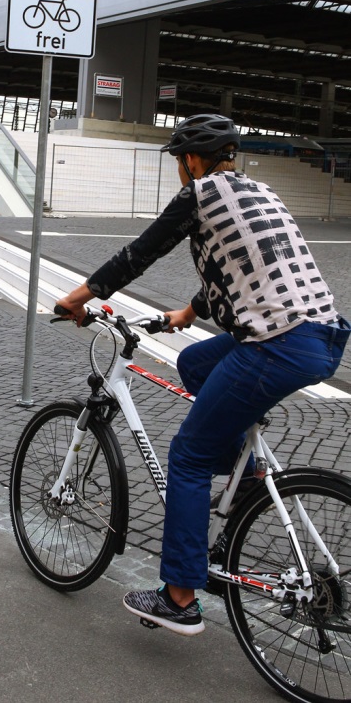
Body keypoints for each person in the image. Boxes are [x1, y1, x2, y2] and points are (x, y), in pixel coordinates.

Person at [56, 113, 350, 637]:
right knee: (194, 362)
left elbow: (137, 255)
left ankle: (179, 596)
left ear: (192, 160)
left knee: (188, 457)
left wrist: (79, 298)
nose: (179, 169)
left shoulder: (199, 195)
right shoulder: (259, 191)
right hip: (321, 335)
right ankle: (242, 475)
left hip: (275, 345)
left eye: (179, 160)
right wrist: (188, 314)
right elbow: (249, 266)